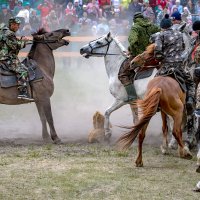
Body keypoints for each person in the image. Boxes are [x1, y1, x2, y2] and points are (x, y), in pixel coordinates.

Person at [154, 14, 195, 117]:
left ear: (162, 27)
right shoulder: (180, 34)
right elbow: (183, 48)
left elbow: (157, 52)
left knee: (154, 83)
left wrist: (161, 58)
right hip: (179, 66)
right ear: (171, 25)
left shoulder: (160, 35)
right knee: (190, 82)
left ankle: (156, 104)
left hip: (166, 66)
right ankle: (190, 100)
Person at [118, 12, 160, 102]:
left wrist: (132, 50)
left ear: (134, 20)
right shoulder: (152, 25)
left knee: (123, 74)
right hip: (151, 55)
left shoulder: (135, 27)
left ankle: (132, 96)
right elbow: (161, 33)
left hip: (139, 56)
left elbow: (133, 41)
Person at [0, 17, 33, 101]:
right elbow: (15, 46)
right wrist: (24, 42)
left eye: (18, 25)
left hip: (4, 55)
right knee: (23, 71)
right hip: (6, 58)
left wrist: (21, 40)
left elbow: (11, 43)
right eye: (15, 25)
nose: (17, 27)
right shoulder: (9, 33)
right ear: (11, 24)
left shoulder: (3, 30)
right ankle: (23, 92)